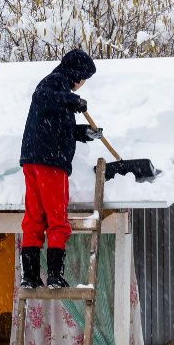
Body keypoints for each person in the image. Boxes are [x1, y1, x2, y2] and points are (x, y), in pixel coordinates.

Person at [19, 49, 103, 288]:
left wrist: (83, 132)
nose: (83, 84)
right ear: (76, 73)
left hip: (33, 159)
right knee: (57, 220)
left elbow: (55, 125)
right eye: (84, 78)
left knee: (34, 218)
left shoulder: (57, 89)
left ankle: (31, 276)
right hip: (51, 163)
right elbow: (43, 96)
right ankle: (54, 275)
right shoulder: (55, 83)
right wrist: (72, 101)